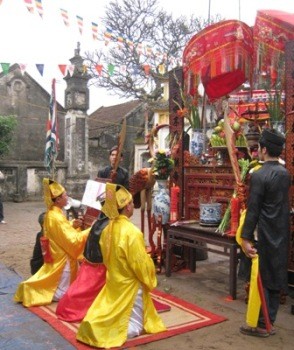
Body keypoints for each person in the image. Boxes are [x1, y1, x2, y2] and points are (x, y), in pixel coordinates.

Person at [76, 183, 166, 348]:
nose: (133, 206)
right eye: (131, 203)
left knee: (107, 310)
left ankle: (98, 326)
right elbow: (140, 264)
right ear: (127, 207)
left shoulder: (107, 229)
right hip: (129, 285)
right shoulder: (132, 232)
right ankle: (111, 331)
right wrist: (150, 276)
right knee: (134, 326)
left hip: (113, 281)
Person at [239, 128, 291, 337]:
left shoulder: (259, 175)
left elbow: (254, 210)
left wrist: (245, 237)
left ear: (264, 149)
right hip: (281, 230)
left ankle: (262, 324)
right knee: (275, 276)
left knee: (261, 276)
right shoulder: (285, 174)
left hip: (264, 231)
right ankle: (270, 321)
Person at [14, 178, 90, 307]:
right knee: (63, 292)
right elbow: (73, 240)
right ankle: (32, 292)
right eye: (65, 195)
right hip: (62, 258)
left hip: (56, 254)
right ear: (58, 200)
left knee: (58, 284)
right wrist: (91, 230)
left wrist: (72, 224)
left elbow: (59, 231)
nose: (67, 197)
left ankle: (32, 290)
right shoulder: (56, 217)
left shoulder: (52, 214)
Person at [56, 210, 108, 322]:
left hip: (90, 261)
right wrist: (89, 230)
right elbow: (73, 241)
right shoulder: (110, 225)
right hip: (99, 265)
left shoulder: (101, 220)